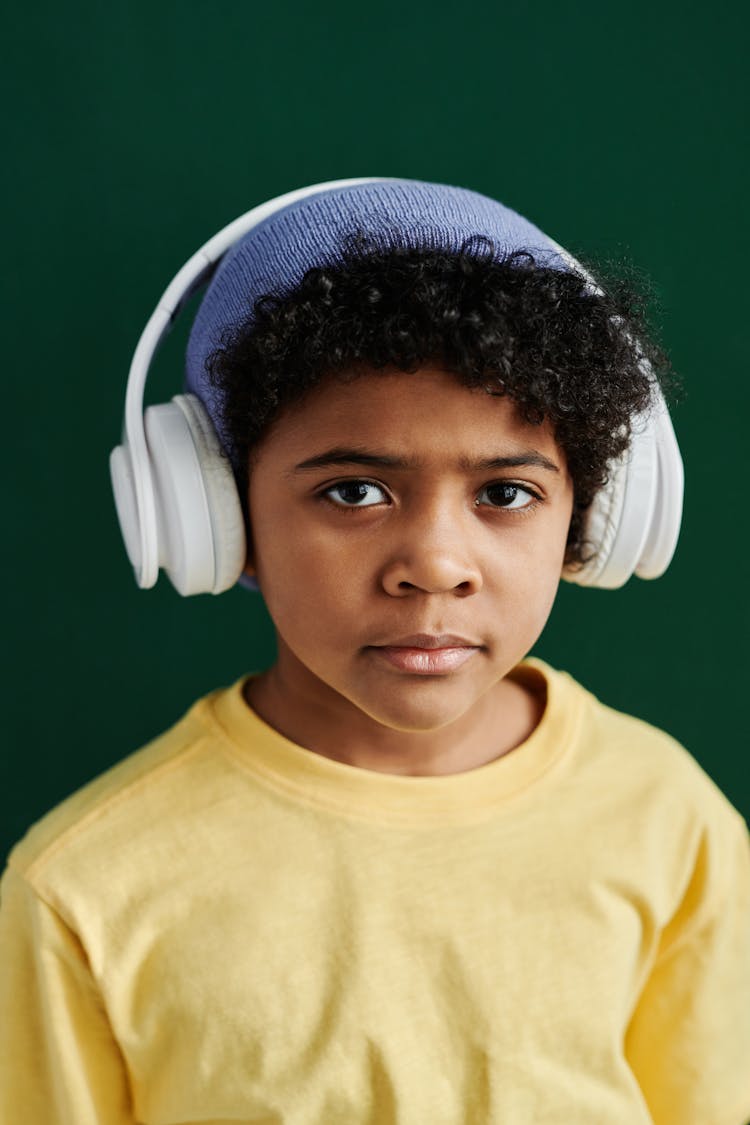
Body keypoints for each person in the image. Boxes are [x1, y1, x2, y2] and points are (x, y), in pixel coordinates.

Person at [1, 179, 748, 1125]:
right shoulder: (84, 885)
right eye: (354, 491)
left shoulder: (671, 823)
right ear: (217, 515)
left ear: (591, 517)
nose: (435, 567)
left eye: (506, 494)